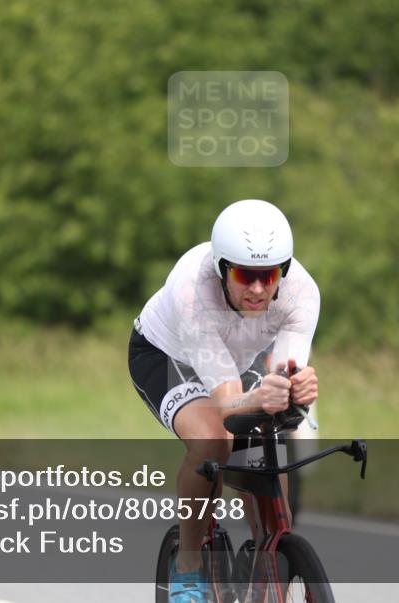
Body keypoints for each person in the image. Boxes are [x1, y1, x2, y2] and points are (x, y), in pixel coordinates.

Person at [128, 199, 321, 603]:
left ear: (283, 271)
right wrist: (264, 397)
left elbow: (283, 375)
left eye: (268, 276)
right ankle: (189, 565)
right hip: (169, 356)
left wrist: (296, 393)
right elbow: (230, 405)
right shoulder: (192, 293)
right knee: (214, 441)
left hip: (237, 362)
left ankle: (271, 564)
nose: (256, 289)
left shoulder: (302, 293)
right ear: (221, 269)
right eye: (243, 275)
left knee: (269, 445)